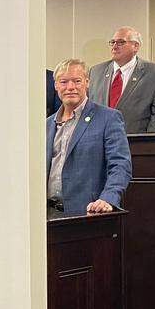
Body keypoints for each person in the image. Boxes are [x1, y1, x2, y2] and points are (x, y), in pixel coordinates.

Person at [46, 60, 132, 217]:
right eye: (64, 82)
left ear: (87, 83)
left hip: (88, 213)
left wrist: (108, 199)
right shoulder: (46, 124)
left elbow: (120, 165)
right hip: (47, 215)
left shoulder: (108, 118)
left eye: (77, 81)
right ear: (56, 85)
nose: (70, 87)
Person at [87, 28, 155, 133]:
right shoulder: (96, 71)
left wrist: (149, 143)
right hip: (99, 142)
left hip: (136, 143)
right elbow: (88, 109)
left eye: (121, 42)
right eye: (112, 42)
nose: (114, 46)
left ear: (136, 46)